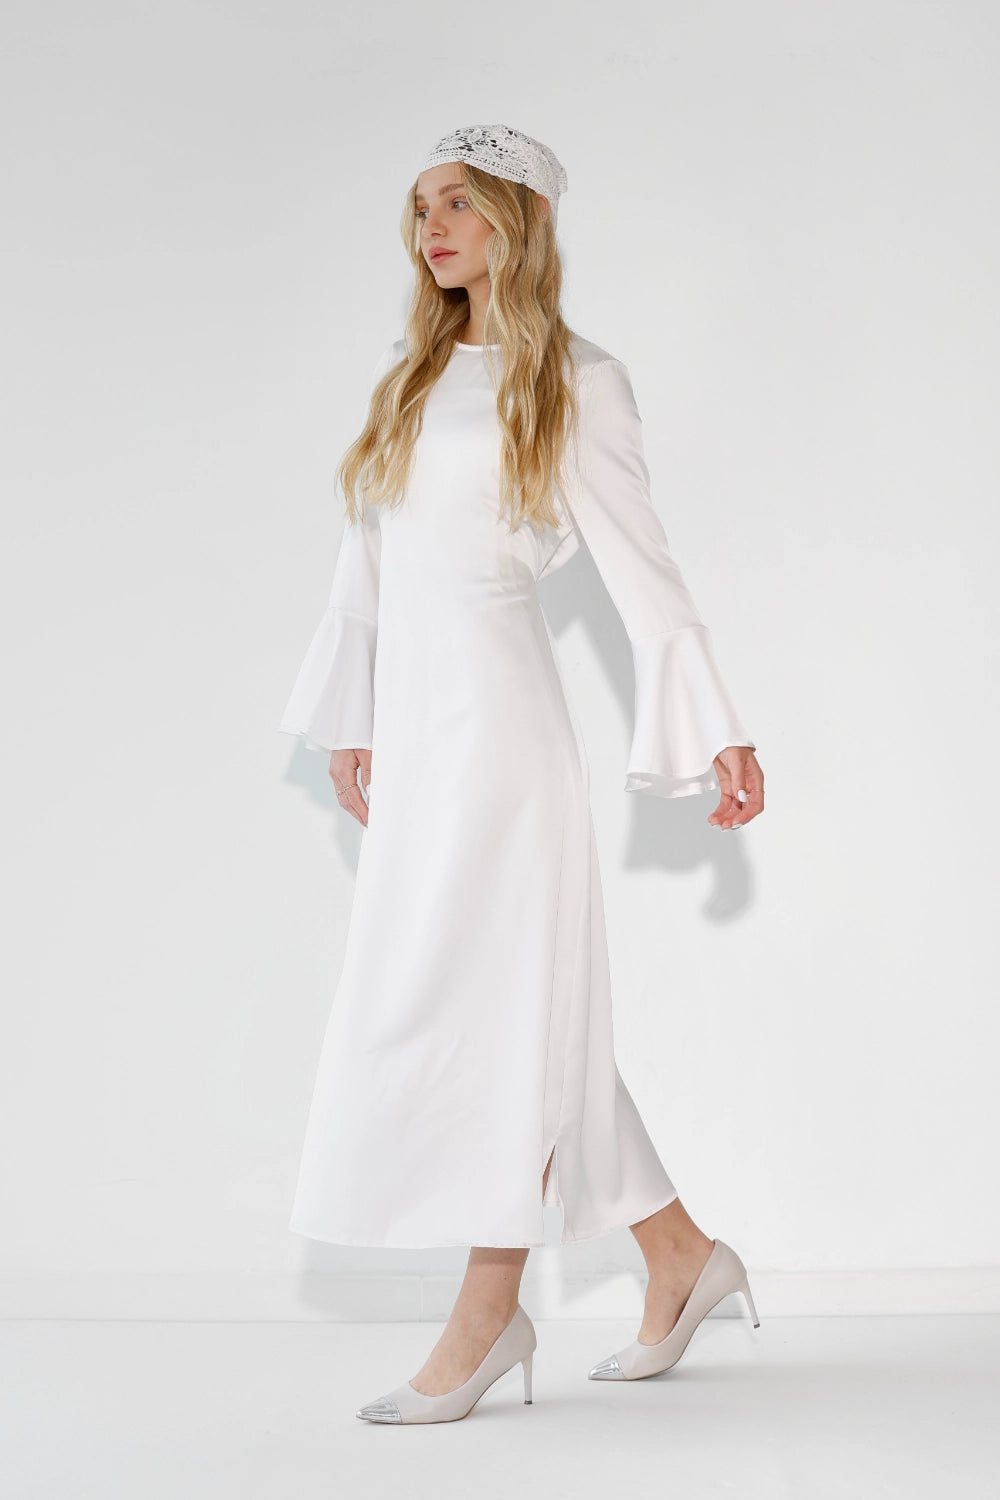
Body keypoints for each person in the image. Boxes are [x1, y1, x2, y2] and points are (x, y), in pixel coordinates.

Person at [278, 123, 765, 1425]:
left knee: (498, 1019)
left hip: (503, 740)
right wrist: (353, 716)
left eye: (459, 202)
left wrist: (716, 724)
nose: (433, 227)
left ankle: (488, 1317)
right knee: (510, 1018)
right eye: (421, 207)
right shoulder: (412, 374)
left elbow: (643, 565)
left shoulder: (578, 381)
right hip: (420, 732)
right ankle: (680, 1256)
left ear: (522, 219)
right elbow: (369, 558)